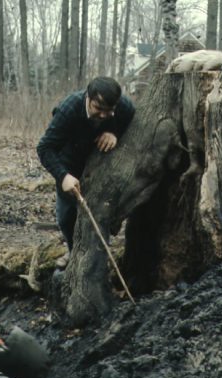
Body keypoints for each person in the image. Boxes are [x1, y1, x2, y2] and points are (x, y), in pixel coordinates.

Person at [37, 76, 135, 267]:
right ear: (88, 98)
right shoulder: (69, 109)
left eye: (109, 111)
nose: (104, 115)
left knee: (99, 215)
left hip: (102, 164)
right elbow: (45, 148)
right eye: (99, 109)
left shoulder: (123, 106)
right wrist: (63, 176)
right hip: (70, 164)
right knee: (66, 218)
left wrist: (115, 133)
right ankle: (74, 253)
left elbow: (135, 127)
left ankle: (98, 259)